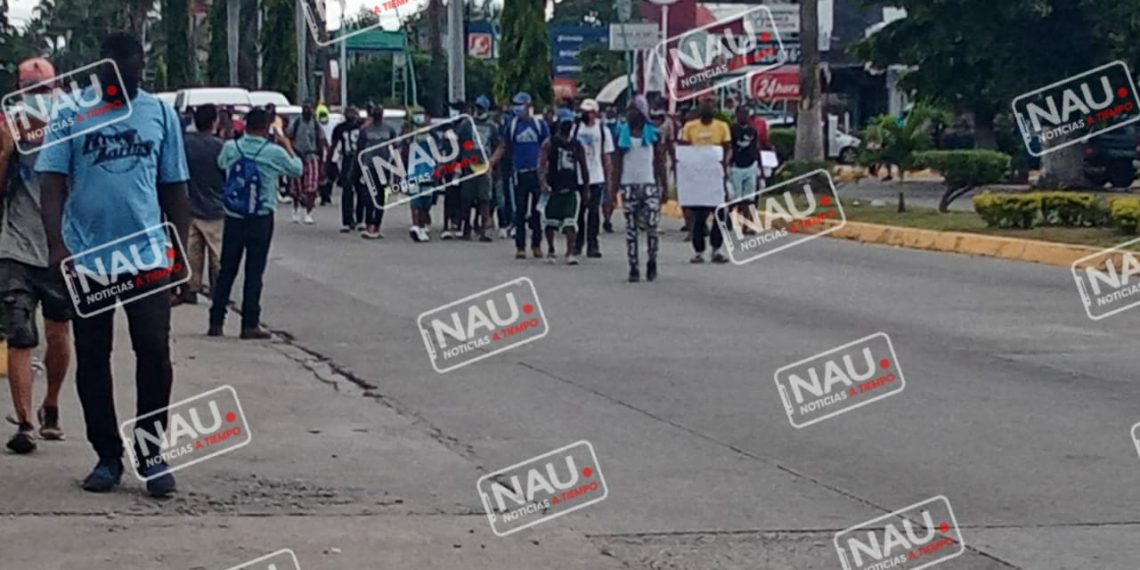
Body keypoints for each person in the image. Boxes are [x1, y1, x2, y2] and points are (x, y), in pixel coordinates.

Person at [38, 33, 190, 496]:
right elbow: (51, 181)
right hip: (88, 258)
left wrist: (179, 255)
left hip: (146, 256)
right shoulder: (70, 113)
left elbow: (174, 187)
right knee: (93, 356)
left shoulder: (159, 113)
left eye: (131, 75)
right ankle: (107, 455)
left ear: (142, 69)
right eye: (113, 76)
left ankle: (152, 454)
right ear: (99, 69)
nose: (122, 84)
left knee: (154, 351)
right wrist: (56, 245)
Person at [0, 57, 73, 454]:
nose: (36, 98)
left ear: (56, 89)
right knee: (20, 333)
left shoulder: (72, 126)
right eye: (29, 90)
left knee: (58, 333)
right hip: (16, 245)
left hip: (59, 248)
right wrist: (5, 153)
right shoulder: (7, 127)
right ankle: (25, 422)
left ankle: (52, 404)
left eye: (43, 90)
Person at [209, 107, 302, 339]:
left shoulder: (231, 147)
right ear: (266, 127)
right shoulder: (273, 152)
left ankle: (216, 321)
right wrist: (286, 144)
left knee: (227, 269)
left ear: (246, 125)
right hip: (261, 217)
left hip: (234, 216)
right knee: (254, 270)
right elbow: (297, 170)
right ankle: (249, 324)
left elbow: (221, 164)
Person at [489, 92, 550, 259]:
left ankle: (536, 244)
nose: (517, 108)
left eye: (520, 104)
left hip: (537, 173)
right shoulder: (512, 125)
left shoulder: (539, 125)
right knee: (520, 211)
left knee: (537, 211)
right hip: (519, 174)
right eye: (515, 104)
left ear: (529, 106)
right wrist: (491, 162)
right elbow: (503, 146)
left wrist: (547, 172)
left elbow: (547, 147)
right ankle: (520, 246)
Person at [612, 95, 666, 283]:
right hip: (628, 185)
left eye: (633, 110)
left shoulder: (653, 134)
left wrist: (663, 186)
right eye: (629, 110)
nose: (630, 114)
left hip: (649, 184)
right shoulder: (622, 134)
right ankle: (633, 265)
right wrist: (613, 190)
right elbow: (617, 164)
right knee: (631, 229)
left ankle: (652, 260)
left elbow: (659, 162)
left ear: (642, 113)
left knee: (652, 226)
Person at [177, 104, 226, 306]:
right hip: (215, 208)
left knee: (192, 254)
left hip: (190, 207)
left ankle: (190, 289)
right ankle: (218, 291)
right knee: (217, 255)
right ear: (214, 122)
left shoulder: (185, 144)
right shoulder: (220, 147)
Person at [679, 96, 731, 264]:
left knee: (720, 214)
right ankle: (699, 251)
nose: (707, 106)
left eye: (710, 103)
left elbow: (727, 149)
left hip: (715, 176)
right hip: (698, 178)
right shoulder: (690, 127)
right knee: (699, 216)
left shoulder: (722, 126)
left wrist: (724, 166)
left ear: (714, 107)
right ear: (699, 107)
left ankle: (717, 249)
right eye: (704, 103)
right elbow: (684, 150)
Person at [538, 109, 589, 265]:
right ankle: (551, 249)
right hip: (553, 188)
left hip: (571, 188)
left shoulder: (577, 145)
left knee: (570, 223)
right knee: (550, 223)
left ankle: (570, 252)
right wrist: (543, 182)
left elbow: (584, 166)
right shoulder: (550, 143)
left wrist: (586, 188)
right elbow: (541, 164)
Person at [570, 98, 613, 259]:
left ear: (595, 113)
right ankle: (577, 243)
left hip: (596, 176)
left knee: (593, 212)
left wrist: (609, 179)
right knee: (578, 212)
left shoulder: (602, 130)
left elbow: (606, 156)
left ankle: (593, 245)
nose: (586, 115)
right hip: (578, 176)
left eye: (589, 112)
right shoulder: (575, 128)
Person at [464, 96, 499, 242]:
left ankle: (484, 230)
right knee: (467, 199)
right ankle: (466, 228)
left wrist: (494, 165)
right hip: (469, 166)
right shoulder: (467, 124)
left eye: (481, 108)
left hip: (484, 167)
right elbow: (459, 142)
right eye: (477, 107)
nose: (479, 110)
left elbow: (497, 146)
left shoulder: (492, 127)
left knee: (484, 199)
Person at [287, 103, 326, 225]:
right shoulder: (297, 123)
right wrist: (291, 152)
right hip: (297, 155)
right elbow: (289, 137)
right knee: (296, 186)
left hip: (312, 156)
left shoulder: (316, 125)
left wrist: (322, 161)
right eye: (305, 109)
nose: (307, 111)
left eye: (309, 108)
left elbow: (321, 141)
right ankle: (296, 210)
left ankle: (309, 213)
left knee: (311, 187)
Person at [328, 106, 366, 232]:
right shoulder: (341, 128)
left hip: (358, 160)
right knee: (348, 191)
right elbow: (335, 146)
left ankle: (359, 219)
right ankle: (348, 220)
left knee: (360, 190)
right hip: (348, 160)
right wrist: (331, 163)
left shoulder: (361, 127)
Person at [729, 105, 763, 225]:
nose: (744, 116)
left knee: (749, 198)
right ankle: (729, 220)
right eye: (741, 113)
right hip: (736, 166)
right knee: (734, 197)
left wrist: (760, 167)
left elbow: (756, 148)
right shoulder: (732, 129)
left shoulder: (752, 131)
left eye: (746, 113)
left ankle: (747, 224)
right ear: (737, 115)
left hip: (750, 166)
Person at [601, 106, 621, 233]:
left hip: (615, 162)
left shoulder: (619, 128)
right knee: (607, 192)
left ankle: (608, 217)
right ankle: (607, 218)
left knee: (612, 192)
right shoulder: (601, 127)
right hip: (602, 162)